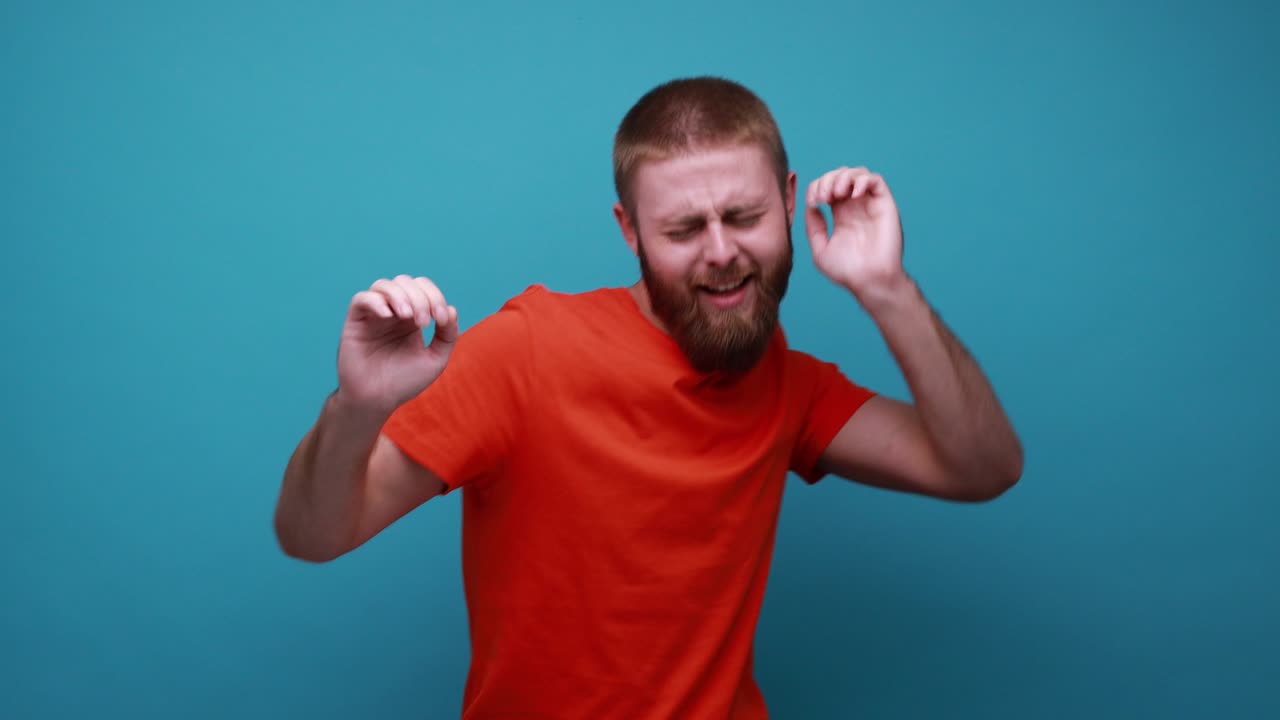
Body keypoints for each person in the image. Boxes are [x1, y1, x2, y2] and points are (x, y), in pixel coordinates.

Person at [274, 76, 1023, 719]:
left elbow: (981, 467)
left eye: (745, 217)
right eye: (683, 228)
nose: (721, 251)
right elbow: (314, 536)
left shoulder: (789, 384)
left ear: (790, 202)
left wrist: (887, 290)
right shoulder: (526, 351)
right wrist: (358, 409)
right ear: (629, 231)